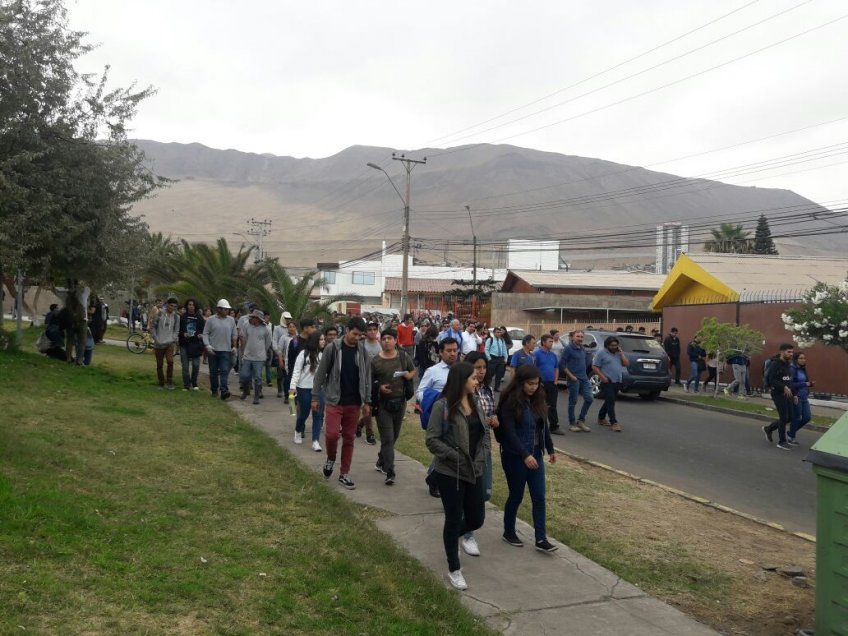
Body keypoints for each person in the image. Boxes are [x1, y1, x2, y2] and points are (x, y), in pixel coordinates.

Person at [425, 362, 490, 591]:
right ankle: (454, 567)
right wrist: (455, 457)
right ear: (461, 380)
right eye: (473, 378)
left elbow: (483, 433)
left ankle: (451, 538)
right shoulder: (442, 406)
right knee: (453, 518)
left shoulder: (476, 403)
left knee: (476, 518)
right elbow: (432, 440)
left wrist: (481, 457)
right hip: (450, 472)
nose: (477, 380)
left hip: (475, 469)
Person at [497, 364, 558, 553]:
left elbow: (543, 425)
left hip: (536, 454)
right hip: (515, 456)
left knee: (539, 496)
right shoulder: (510, 401)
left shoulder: (538, 399)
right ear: (521, 382)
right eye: (530, 384)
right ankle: (509, 531)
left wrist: (550, 448)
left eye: (536, 384)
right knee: (516, 495)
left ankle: (541, 539)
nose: (533, 387)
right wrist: (525, 455)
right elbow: (509, 432)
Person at [313, 316, 372, 490]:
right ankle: (331, 457)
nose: (357, 338)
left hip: (354, 403)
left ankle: (344, 473)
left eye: (360, 335)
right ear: (347, 330)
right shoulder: (333, 348)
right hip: (334, 400)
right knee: (331, 435)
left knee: (349, 438)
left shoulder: (363, 353)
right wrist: (315, 397)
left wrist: (367, 401)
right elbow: (320, 374)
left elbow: (367, 378)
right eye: (354, 334)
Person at [461, 352, 498, 557]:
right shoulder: (463, 392)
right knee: (470, 494)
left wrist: (494, 419)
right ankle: (467, 534)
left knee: (484, 492)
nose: (481, 372)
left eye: (484, 367)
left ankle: (463, 524)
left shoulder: (488, 390)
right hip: (466, 450)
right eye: (477, 368)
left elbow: (490, 414)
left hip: (484, 449)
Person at [417, 337, 461, 498]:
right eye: (448, 351)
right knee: (444, 449)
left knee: (452, 449)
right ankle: (435, 479)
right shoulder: (433, 371)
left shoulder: (462, 370)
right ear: (440, 352)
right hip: (440, 417)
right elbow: (420, 392)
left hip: (459, 417)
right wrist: (436, 400)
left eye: (455, 350)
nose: (452, 354)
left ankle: (434, 477)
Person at [371, 328, 416, 485]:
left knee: (393, 437)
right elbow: (370, 382)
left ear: (396, 340)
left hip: (400, 402)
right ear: (380, 341)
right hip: (383, 405)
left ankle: (381, 459)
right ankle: (390, 471)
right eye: (384, 338)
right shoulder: (375, 361)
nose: (387, 341)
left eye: (390, 338)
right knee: (388, 438)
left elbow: (413, 372)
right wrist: (380, 388)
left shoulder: (403, 356)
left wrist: (406, 375)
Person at [289, 331, 326, 450]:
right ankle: (298, 430)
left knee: (318, 415)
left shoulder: (323, 355)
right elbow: (296, 371)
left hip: (318, 389)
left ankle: (315, 441)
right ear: (315, 341)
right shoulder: (303, 354)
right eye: (321, 339)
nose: (323, 342)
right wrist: (292, 387)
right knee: (303, 414)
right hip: (303, 388)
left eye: (323, 339)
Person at [762, 343, 796, 451]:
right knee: (784, 417)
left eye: (792, 352)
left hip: (788, 394)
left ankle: (769, 428)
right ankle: (782, 442)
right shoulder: (775, 364)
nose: (791, 354)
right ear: (782, 352)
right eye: (788, 352)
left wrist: (794, 394)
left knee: (790, 417)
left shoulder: (788, 364)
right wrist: (783, 387)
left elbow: (789, 380)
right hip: (778, 393)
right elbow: (772, 380)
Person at [592, 336, 629, 432]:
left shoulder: (618, 353)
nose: (614, 347)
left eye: (616, 345)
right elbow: (595, 366)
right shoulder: (601, 353)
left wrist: (621, 354)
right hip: (607, 381)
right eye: (612, 345)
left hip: (617, 380)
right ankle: (614, 422)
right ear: (607, 345)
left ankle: (601, 418)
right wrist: (602, 377)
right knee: (611, 401)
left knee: (609, 400)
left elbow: (626, 364)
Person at [202, 299, 237, 400]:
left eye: (227, 309)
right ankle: (214, 390)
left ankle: (224, 390)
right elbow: (206, 333)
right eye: (225, 309)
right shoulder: (211, 320)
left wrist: (234, 346)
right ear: (219, 309)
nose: (227, 311)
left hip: (225, 350)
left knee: (224, 371)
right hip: (213, 350)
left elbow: (234, 334)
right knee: (213, 371)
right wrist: (207, 345)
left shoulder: (231, 320)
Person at [560, 330, 593, 433]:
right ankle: (572, 423)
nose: (580, 338)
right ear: (572, 337)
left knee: (589, 398)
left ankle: (581, 420)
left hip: (584, 378)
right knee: (573, 401)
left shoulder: (582, 348)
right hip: (574, 379)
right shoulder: (568, 349)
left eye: (581, 337)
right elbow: (562, 365)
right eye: (578, 336)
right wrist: (571, 376)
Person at [356, 322, 382, 445]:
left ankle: (359, 425)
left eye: (374, 329)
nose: (372, 332)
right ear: (366, 331)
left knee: (372, 409)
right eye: (370, 329)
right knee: (367, 407)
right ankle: (370, 433)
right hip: (363, 380)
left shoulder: (380, 346)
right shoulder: (361, 345)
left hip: (376, 381)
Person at [239, 309, 272, 405]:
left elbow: (268, 342)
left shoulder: (266, 328)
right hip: (247, 355)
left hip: (259, 357)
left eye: (254, 317)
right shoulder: (246, 325)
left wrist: (262, 350)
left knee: (257, 377)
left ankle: (256, 396)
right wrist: (243, 351)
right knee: (244, 375)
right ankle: (245, 391)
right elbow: (243, 337)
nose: (252, 318)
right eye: (252, 317)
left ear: (259, 319)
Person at [533, 334, 561, 435]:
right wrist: (538, 382)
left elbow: (556, 368)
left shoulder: (553, 355)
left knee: (552, 405)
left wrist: (556, 380)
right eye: (550, 341)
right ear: (543, 342)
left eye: (552, 342)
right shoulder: (536, 354)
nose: (552, 343)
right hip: (541, 384)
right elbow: (534, 369)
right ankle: (538, 426)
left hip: (552, 383)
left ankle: (554, 426)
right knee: (540, 405)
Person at [151, 297, 180, 390]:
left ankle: (170, 382)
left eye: (175, 307)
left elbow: (176, 330)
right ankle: (161, 383)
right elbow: (153, 327)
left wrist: (173, 339)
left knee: (170, 362)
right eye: (171, 306)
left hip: (169, 344)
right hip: (159, 343)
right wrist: (155, 338)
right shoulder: (159, 314)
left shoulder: (176, 317)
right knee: (159, 364)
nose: (173, 308)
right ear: (167, 305)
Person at [788, 351, 814, 445]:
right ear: (796, 359)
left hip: (804, 397)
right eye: (801, 358)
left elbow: (806, 381)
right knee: (797, 417)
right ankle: (791, 437)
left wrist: (808, 386)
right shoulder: (792, 369)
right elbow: (791, 384)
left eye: (804, 358)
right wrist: (805, 384)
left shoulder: (803, 368)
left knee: (807, 417)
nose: (803, 360)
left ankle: (791, 431)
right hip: (797, 396)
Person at [178, 299, 205, 391]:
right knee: (185, 366)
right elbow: (178, 331)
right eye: (189, 304)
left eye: (193, 305)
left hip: (195, 344)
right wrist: (183, 334)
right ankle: (186, 384)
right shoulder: (182, 317)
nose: (191, 306)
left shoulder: (199, 317)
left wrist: (201, 335)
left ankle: (194, 382)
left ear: (195, 306)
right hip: (184, 344)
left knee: (196, 365)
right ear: (187, 306)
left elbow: (203, 330)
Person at [484, 326, 509, 391]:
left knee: (499, 374)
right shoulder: (490, 340)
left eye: (500, 332)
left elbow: (504, 350)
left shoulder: (502, 340)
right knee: (490, 374)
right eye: (497, 332)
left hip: (500, 359)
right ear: (494, 333)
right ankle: (487, 387)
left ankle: (497, 387)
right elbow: (486, 349)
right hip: (493, 358)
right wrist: (489, 358)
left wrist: (505, 358)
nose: (499, 334)